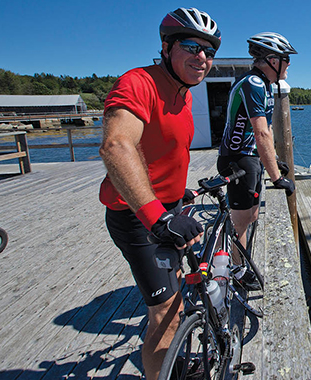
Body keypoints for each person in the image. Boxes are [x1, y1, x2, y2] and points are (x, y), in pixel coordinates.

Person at [98, 8, 220, 380]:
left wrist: (175, 196)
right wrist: (157, 215)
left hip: (169, 209)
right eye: (191, 46)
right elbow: (117, 145)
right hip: (139, 219)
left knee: (180, 297)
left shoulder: (183, 95)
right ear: (166, 47)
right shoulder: (138, 83)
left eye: (208, 51)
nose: (202, 57)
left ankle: (176, 363)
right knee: (167, 316)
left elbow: (162, 153)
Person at [216, 32, 297, 290]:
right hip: (239, 158)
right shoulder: (253, 83)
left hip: (249, 157)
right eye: (286, 59)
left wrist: (273, 160)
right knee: (241, 220)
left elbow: (267, 133)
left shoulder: (263, 84)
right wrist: (277, 178)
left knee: (249, 216)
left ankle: (231, 260)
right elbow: (260, 132)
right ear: (272, 60)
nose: (289, 65)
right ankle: (236, 270)